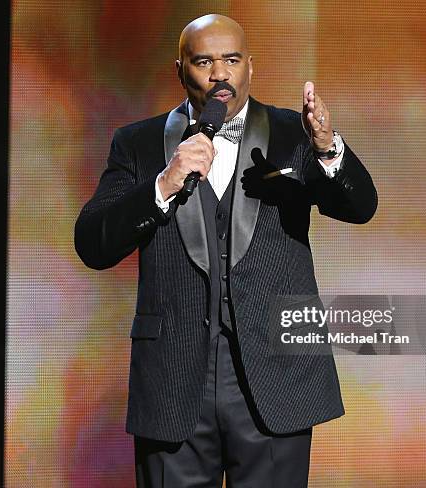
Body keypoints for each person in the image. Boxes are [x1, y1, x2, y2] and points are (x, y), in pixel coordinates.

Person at [75, 13, 377, 488]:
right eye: (204, 61)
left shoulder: (292, 134)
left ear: (250, 68)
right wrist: (162, 183)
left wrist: (327, 148)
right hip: (174, 384)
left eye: (232, 60)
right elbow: (92, 243)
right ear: (180, 71)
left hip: (278, 379)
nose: (220, 74)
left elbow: (360, 207)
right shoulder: (137, 144)